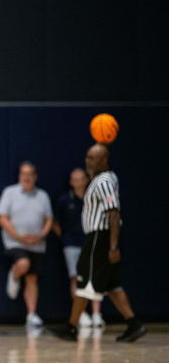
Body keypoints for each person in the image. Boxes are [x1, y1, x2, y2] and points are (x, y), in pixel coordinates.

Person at [54, 144, 146, 342]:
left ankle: (71, 327)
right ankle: (134, 324)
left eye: (93, 158)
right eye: (87, 157)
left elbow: (113, 212)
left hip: (99, 237)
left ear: (104, 161)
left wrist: (113, 246)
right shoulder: (104, 179)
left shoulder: (103, 180)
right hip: (100, 237)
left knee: (83, 280)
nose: (88, 162)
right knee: (112, 285)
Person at [0, 161, 53, 327]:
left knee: (32, 278)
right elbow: (2, 218)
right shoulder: (9, 193)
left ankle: (31, 314)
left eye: (30, 174)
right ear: (19, 175)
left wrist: (41, 236)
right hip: (15, 243)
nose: (26, 177)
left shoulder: (42, 195)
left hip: (37, 244)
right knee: (23, 264)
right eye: (23, 174)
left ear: (35, 177)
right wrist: (19, 237)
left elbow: (49, 219)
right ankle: (14, 275)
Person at [53, 168, 104, 327]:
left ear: (87, 180)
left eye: (81, 179)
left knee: (94, 278)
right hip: (71, 244)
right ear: (70, 182)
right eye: (75, 179)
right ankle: (80, 314)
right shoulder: (64, 200)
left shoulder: (94, 199)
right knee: (75, 278)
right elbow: (55, 222)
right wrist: (65, 238)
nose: (78, 182)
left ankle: (96, 314)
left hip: (91, 242)